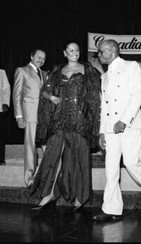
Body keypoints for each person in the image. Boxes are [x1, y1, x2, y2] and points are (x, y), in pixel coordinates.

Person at [93, 39, 141, 222]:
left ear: (112, 50)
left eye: (101, 52)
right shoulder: (104, 76)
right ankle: (111, 209)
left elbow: (138, 95)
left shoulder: (131, 66)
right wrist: (102, 131)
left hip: (129, 126)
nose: (99, 55)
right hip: (110, 129)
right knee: (111, 170)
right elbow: (104, 105)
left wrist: (124, 121)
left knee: (132, 164)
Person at [30, 41, 101, 212]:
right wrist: (52, 98)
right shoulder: (57, 71)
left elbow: (95, 95)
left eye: (77, 50)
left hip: (80, 120)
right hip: (60, 118)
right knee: (51, 156)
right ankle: (47, 195)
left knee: (80, 158)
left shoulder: (88, 69)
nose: (75, 53)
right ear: (64, 53)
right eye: (71, 50)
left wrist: (94, 120)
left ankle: (80, 197)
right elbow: (45, 92)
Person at [13, 49, 48, 188]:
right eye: (38, 57)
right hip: (29, 114)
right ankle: (29, 178)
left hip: (44, 116)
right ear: (31, 56)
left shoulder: (45, 74)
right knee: (30, 147)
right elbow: (17, 95)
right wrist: (19, 116)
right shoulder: (21, 71)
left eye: (43, 58)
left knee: (47, 145)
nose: (41, 60)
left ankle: (47, 176)